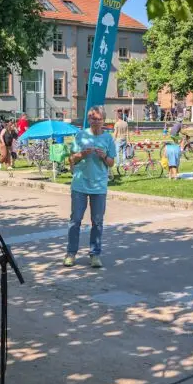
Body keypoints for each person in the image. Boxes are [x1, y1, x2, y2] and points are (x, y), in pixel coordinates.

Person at [63, 106, 116, 269]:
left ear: (103, 121)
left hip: (99, 186)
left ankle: (95, 254)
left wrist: (104, 156)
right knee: (75, 221)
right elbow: (71, 160)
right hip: (80, 184)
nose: (95, 122)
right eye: (92, 119)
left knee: (97, 222)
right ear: (88, 120)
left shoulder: (108, 139)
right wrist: (81, 154)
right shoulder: (81, 135)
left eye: (99, 119)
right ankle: (71, 253)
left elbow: (112, 162)